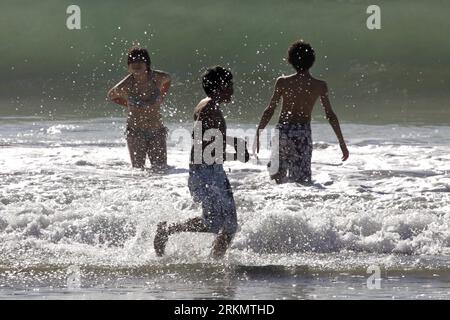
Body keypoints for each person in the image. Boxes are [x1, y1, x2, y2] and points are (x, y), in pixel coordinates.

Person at [154, 66, 249, 259]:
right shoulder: (208, 108)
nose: (233, 89)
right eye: (230, 85)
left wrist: (234, 145)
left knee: (223, 224)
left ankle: (213, 261)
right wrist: (234, 145)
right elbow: (202, 140)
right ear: (221, 86)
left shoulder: (208, 105)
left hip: (212, 170)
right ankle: (169, 230)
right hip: (205, 172)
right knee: (221, 224)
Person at [254, 40, 349, 184]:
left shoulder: (283, 82)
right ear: (312, 61)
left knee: (276, 176)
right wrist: (341, 142)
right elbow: (330, 115)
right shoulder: (319, 85)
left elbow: (270, 110)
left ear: (290, 61)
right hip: (302, 134)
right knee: (301, 181)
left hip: (283, 132)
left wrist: (258, 133)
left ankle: (277, 202)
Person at [107, 46, 171, 170]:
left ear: (147, 63)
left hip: (157, 131)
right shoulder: (126, 84)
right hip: (135, 132)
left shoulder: (158, 78)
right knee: (138, 172)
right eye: (132, 61)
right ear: (128, 65)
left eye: (140, 60)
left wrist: (162, 96)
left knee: (161, 169)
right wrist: (128, 103)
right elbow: (111, 95)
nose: (136, 64)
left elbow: (168, 80)